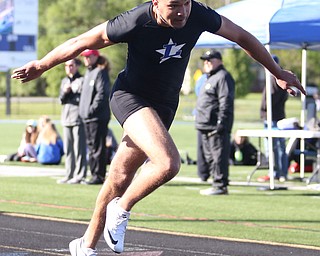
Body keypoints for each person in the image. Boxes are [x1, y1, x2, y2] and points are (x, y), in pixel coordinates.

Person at [11, 0, 305, 254]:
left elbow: (241, 36)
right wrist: (43, 64)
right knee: (167, 163)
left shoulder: (199, 15)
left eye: (186, 4)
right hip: (130, 98)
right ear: (155, 3)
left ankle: (85, 246)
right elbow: (82, 42)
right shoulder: (135, 20)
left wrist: (277, 72)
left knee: (118, 176)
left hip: (163, 106)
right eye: (174, 6)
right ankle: (121, 208)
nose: (182, 13)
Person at [195, 50, 235, 195]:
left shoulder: (223, 77)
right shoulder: (208, 78)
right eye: (205, 60)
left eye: (210, 59)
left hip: (215, 125)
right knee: (210, 157)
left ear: (219, 61)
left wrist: (221, 121)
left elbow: (226, 101)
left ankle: (220, 185)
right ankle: (215, 182)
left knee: (218, 156)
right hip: (204, 124)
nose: (207, 62)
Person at [79, 49, 111, 185]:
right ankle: (94, 174)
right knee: (92, 147)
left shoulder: (100, 72)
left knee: (98, 148)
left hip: (97, 117)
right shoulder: (88, 72)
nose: (86, 59)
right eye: (84, 57)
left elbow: (102, 94)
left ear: (95, 57)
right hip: (88, 117)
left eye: (88, 56)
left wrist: (91, 110)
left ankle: (98, 175)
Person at [258, 55, 289, 183]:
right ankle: (279, 172)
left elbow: (271, 99)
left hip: (273, 117)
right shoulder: (277, 77)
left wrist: (264, 109)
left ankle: (277, 172)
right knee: (278, 146)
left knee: (274, 147)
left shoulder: (274, 78)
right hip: (276, 116)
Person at [57, 58, 88, 184]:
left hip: (78, 118)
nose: (69, 68)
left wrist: (73, 91)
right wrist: (65, 92)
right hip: (66, 118)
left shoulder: (82, 80)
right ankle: (69, 174)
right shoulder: (64, 81)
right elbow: (61, 100)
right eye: (66, 65)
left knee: (79, 149)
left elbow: (83, 98)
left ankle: (80, 175)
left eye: (71, 65)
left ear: (77, 66)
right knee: (68, 149)